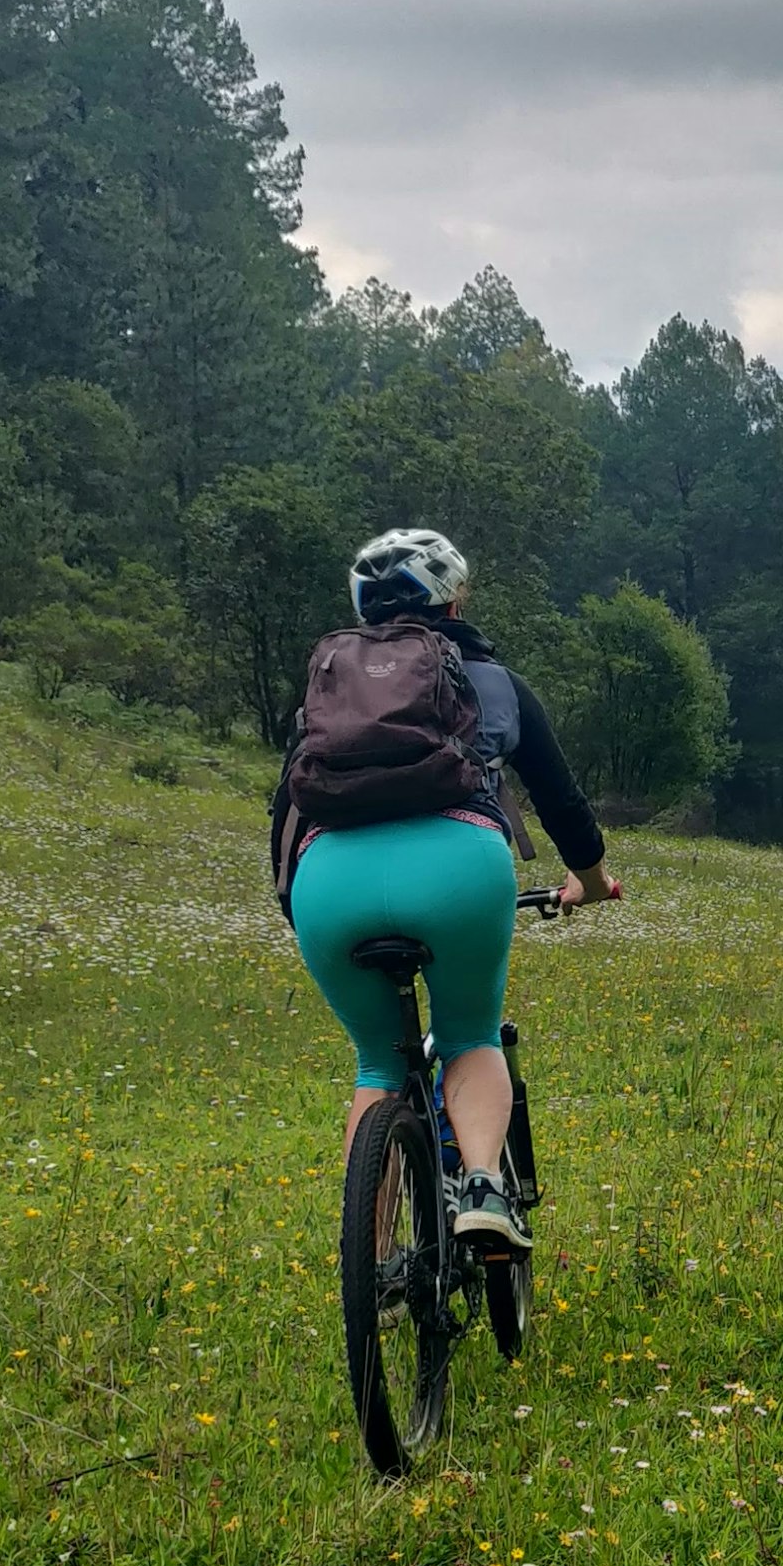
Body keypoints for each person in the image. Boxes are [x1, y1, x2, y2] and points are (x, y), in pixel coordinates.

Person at [272, 529, 616, 1256]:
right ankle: (484, 1186)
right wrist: (588, 883)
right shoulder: (494, 681)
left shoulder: (330, 687)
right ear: (454, 601)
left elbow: (288, 812)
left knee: (378, 1063)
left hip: (326, 881)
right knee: (468, 1036)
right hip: (459, 868)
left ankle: (370, 1255)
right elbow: (563, 805)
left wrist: (298, 908)